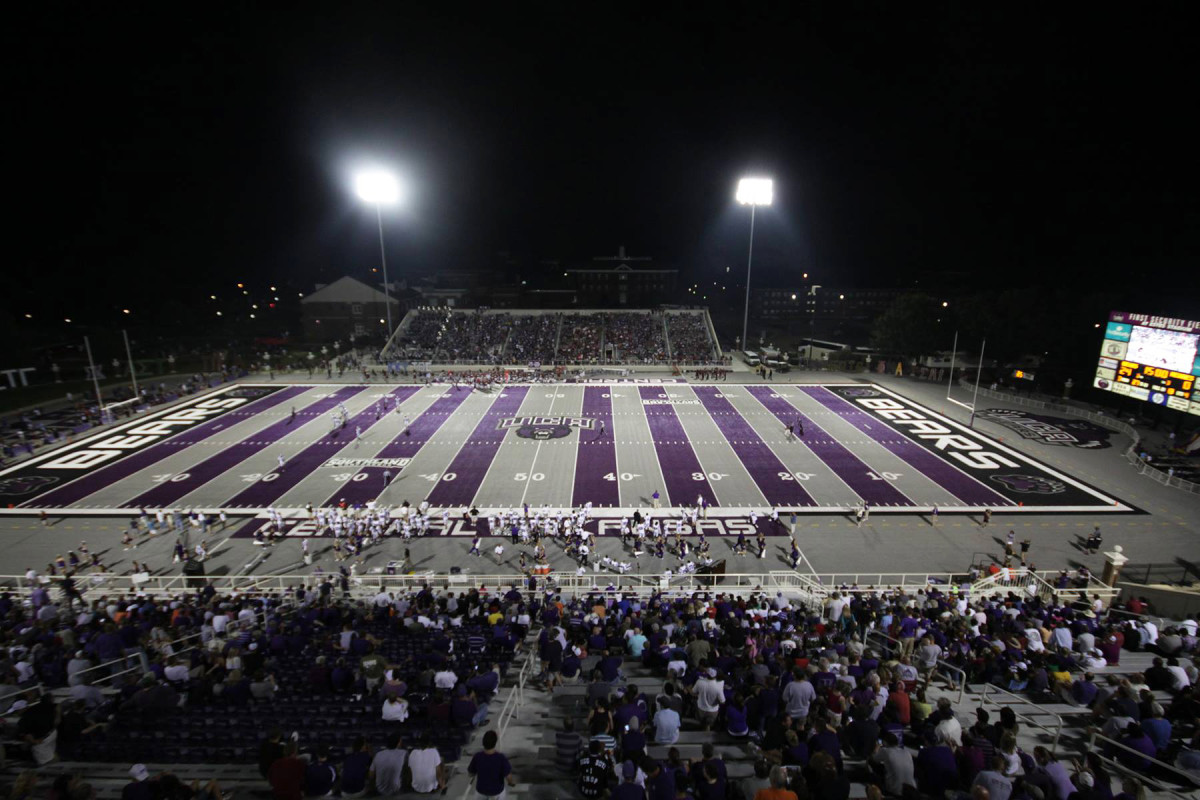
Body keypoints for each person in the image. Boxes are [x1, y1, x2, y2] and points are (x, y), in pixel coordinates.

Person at [468, 730, 515, 800]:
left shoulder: (477, 757)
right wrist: (511, 783)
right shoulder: (501, 758)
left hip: (481, 791)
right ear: (495, 743)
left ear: (483, 742)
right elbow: (508, 776)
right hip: (497, 793)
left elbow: (471, 773)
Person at [367, 731, 408, 796]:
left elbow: (371, 774)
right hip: (396, 790)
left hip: (379, 790)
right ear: (398, 743)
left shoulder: (378, 754)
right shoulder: (404, 753)